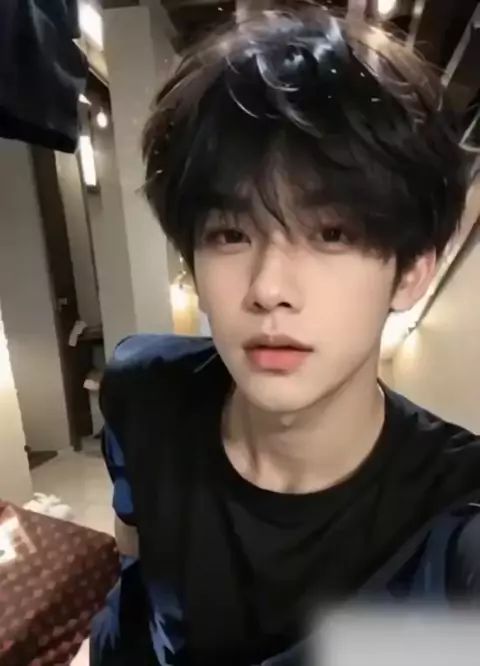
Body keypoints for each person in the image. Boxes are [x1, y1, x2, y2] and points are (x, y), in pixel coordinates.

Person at [92, 6, 480, 666]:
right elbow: (134, 566)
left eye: (332, 233)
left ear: (413, 271)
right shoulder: (142, 387)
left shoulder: (453, 514)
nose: (269, 287)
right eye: (230, 234)